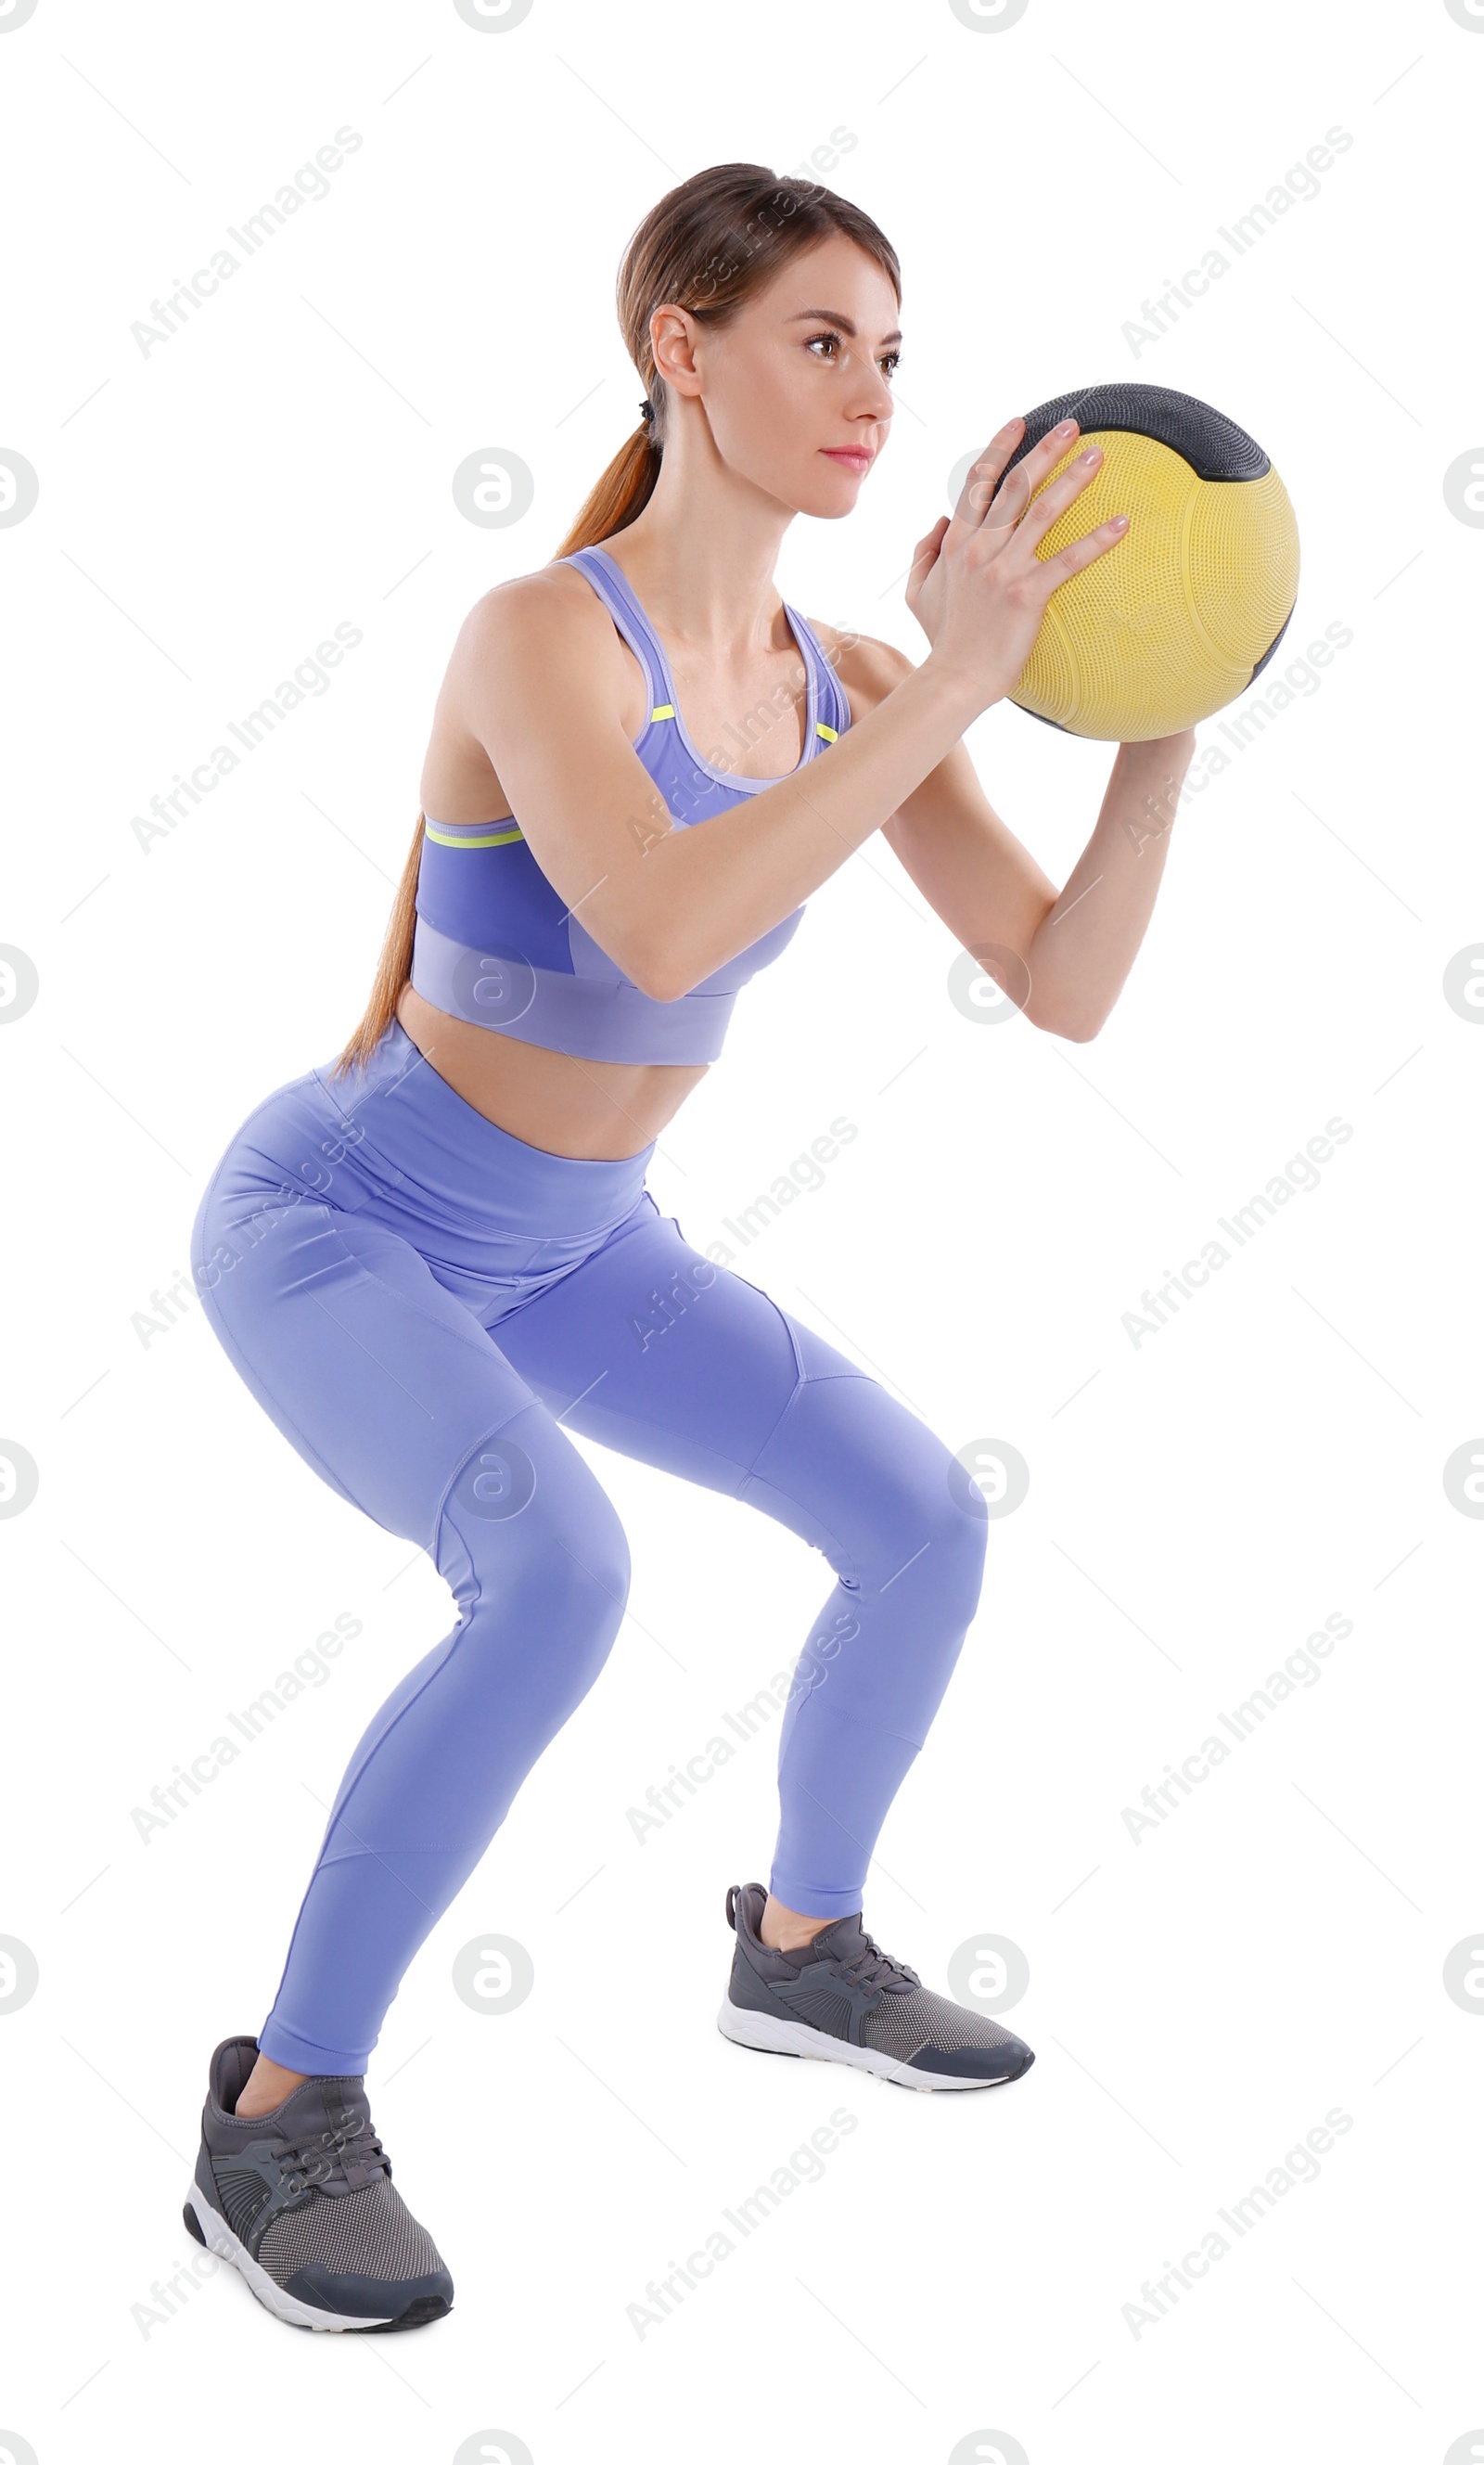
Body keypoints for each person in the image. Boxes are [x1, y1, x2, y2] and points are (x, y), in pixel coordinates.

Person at [183, 161, 1194, 2333]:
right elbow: (661, 918)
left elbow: (1063, 977)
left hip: (573, 1248)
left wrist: (1154, 715)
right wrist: (955, 679)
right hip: (342, 1224)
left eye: (890, 355)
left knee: (921, 1520)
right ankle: (279, 2112)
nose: (867, 396)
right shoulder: (541, 635)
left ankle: (801, 1950)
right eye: (819, 342)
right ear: (682, 350)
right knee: (550, 1578)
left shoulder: (840, 677)